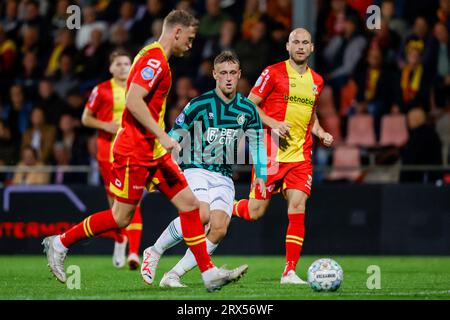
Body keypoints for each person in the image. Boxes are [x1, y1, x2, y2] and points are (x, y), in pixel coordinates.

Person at [42, 10, 247, 293]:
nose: (190, 44)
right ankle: (61, 242)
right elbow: (133, 100)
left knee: (190, 206)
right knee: (120, 218)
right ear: (177, 32)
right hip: (135, 151)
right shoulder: (154, 60)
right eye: (189, 38)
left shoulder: (155, 57)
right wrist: (163, 134)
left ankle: (208, 273)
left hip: (153, 152)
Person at [140, 51, 267, 288]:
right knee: (201, 214)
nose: (228, 78)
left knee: (218, 229)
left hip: (224, 174)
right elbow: (175, 134)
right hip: (195, 167)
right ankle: (154, 251)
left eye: (232, 73)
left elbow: (258, 143)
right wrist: (158, 163)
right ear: (214, 75)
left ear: (239, 75)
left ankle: (173, 275)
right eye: (223, 73)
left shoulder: (248, 110)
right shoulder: (199, 104)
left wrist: (260, 175)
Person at [232, 28, 334, 284]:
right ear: (288, 46)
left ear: (312, 48)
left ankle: (289, 271)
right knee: (255, 212)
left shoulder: (317, 81)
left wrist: (320, 131)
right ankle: (225, 206)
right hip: (270, 153)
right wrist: (272, 122)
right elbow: (249, 104)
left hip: (300, 156)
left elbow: (310, 113)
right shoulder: (272, 72)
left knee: (298, 207)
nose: (300, 46)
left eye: (305, 43)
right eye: (295, 42)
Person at [81, 49, 143, 270]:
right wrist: (105, 125)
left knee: (133, 199)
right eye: (118, 64)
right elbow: (85, 118)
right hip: (107, 155)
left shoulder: (138, 87)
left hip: (134, 151)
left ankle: (134, 252)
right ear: (110, 68)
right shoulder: (102, 90)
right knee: (116, 208)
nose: (123, 67)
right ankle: (120, 240)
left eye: (127, 63)